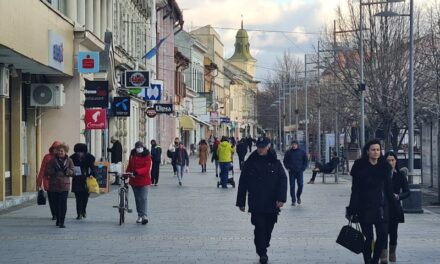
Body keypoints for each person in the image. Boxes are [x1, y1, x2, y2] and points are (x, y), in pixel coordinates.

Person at [236, 136, 287, 264]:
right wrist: (241, 202)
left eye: (263, 147)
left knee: (269, 227)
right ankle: (262, 252)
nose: (260, 149)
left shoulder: (275, 162)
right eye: (259, 147)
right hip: (256, 202)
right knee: (259, 227)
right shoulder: (250, 162)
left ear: (268, 147)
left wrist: (281, 199)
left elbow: (283, 180)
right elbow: (243, 183)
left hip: (271, 203)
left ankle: (264, 243)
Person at [346, 139, 397, 264]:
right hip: (364, 207)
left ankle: (375, 260)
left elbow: (389, 190)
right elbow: (355, 190)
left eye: (378, 150)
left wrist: (395, 206)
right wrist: (352, 208)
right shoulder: (359, 165)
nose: (376, 152)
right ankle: (368, 261)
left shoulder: (385, 166)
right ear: (368, 151)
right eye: (373, 150)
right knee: (368, 238)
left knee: (383, 235)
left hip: (381, 208)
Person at [381, 151, 410, 263]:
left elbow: (407, 192)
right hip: (382, 207)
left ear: (396, 161)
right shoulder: (381, 174)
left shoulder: (400, 175)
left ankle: (392, 253)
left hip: (394, 207)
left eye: (393, 160)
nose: (391, 162)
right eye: (388, 160)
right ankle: (383, 256)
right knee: (383, 232)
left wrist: (398, 196)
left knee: (393, 232)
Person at [45, 143, 75, 228]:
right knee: (55, 203)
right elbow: (46, 171)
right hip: (54, 185)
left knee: (63, 204)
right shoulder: (52, 160)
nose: (60, 152)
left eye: (62, 151)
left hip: (64, 185)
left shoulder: (69, 160)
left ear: (65, 151)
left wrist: (67, 171)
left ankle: (62, 221)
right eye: (58, 151)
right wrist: (53, 170)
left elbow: (73, 172)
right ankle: (58, 219)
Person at [126, 141, 152, 225]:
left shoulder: (147, 156)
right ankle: (139, 215)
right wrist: (127, 174)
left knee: (143, 198)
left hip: (144, 180)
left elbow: (147, 168)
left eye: (140, 147)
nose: (139, 149)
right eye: (137, 147)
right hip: (134, 181)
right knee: (137, 199)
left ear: (143, 147)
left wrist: (137, 172)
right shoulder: (133, 155)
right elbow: (130, 165)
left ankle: (144, 216)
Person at [36, 141, 61, 220]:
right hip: (49, 181)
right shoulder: (47, 157)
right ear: (52, 149)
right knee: (51, 199)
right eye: (54, 148)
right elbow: (42, 169)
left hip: (59, 182)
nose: (55, 150)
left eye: (57, 149)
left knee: (58, 199)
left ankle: (58, 213)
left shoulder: (62, 157)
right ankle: (54, 214)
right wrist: (39, 181)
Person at [70, 143, 96, 220]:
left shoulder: (89, 158)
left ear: (84, 152)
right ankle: (79, 213)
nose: (79, 154)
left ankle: (83, 210)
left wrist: (92, 174)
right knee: (78, 197)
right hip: (77, 179)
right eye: (78, 152)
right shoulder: (72, 158)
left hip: (86, 179)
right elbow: (70, 167)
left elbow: (93, 168)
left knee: (85, 197)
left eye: (81, 152)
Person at [283, 140, 308, 206]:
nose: (294, 145)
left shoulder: (302, 152)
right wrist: (287, 167)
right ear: (291, 145)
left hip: (299, 171)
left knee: (300, 185)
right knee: (292, 186)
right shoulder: (288, 152)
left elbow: (306, 161)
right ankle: (293, 200)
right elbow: (285, 161)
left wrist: (303, 168)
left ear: (297, 145)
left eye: (295, 144)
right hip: (291, 172)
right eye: (293, 144)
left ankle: (298, 196)